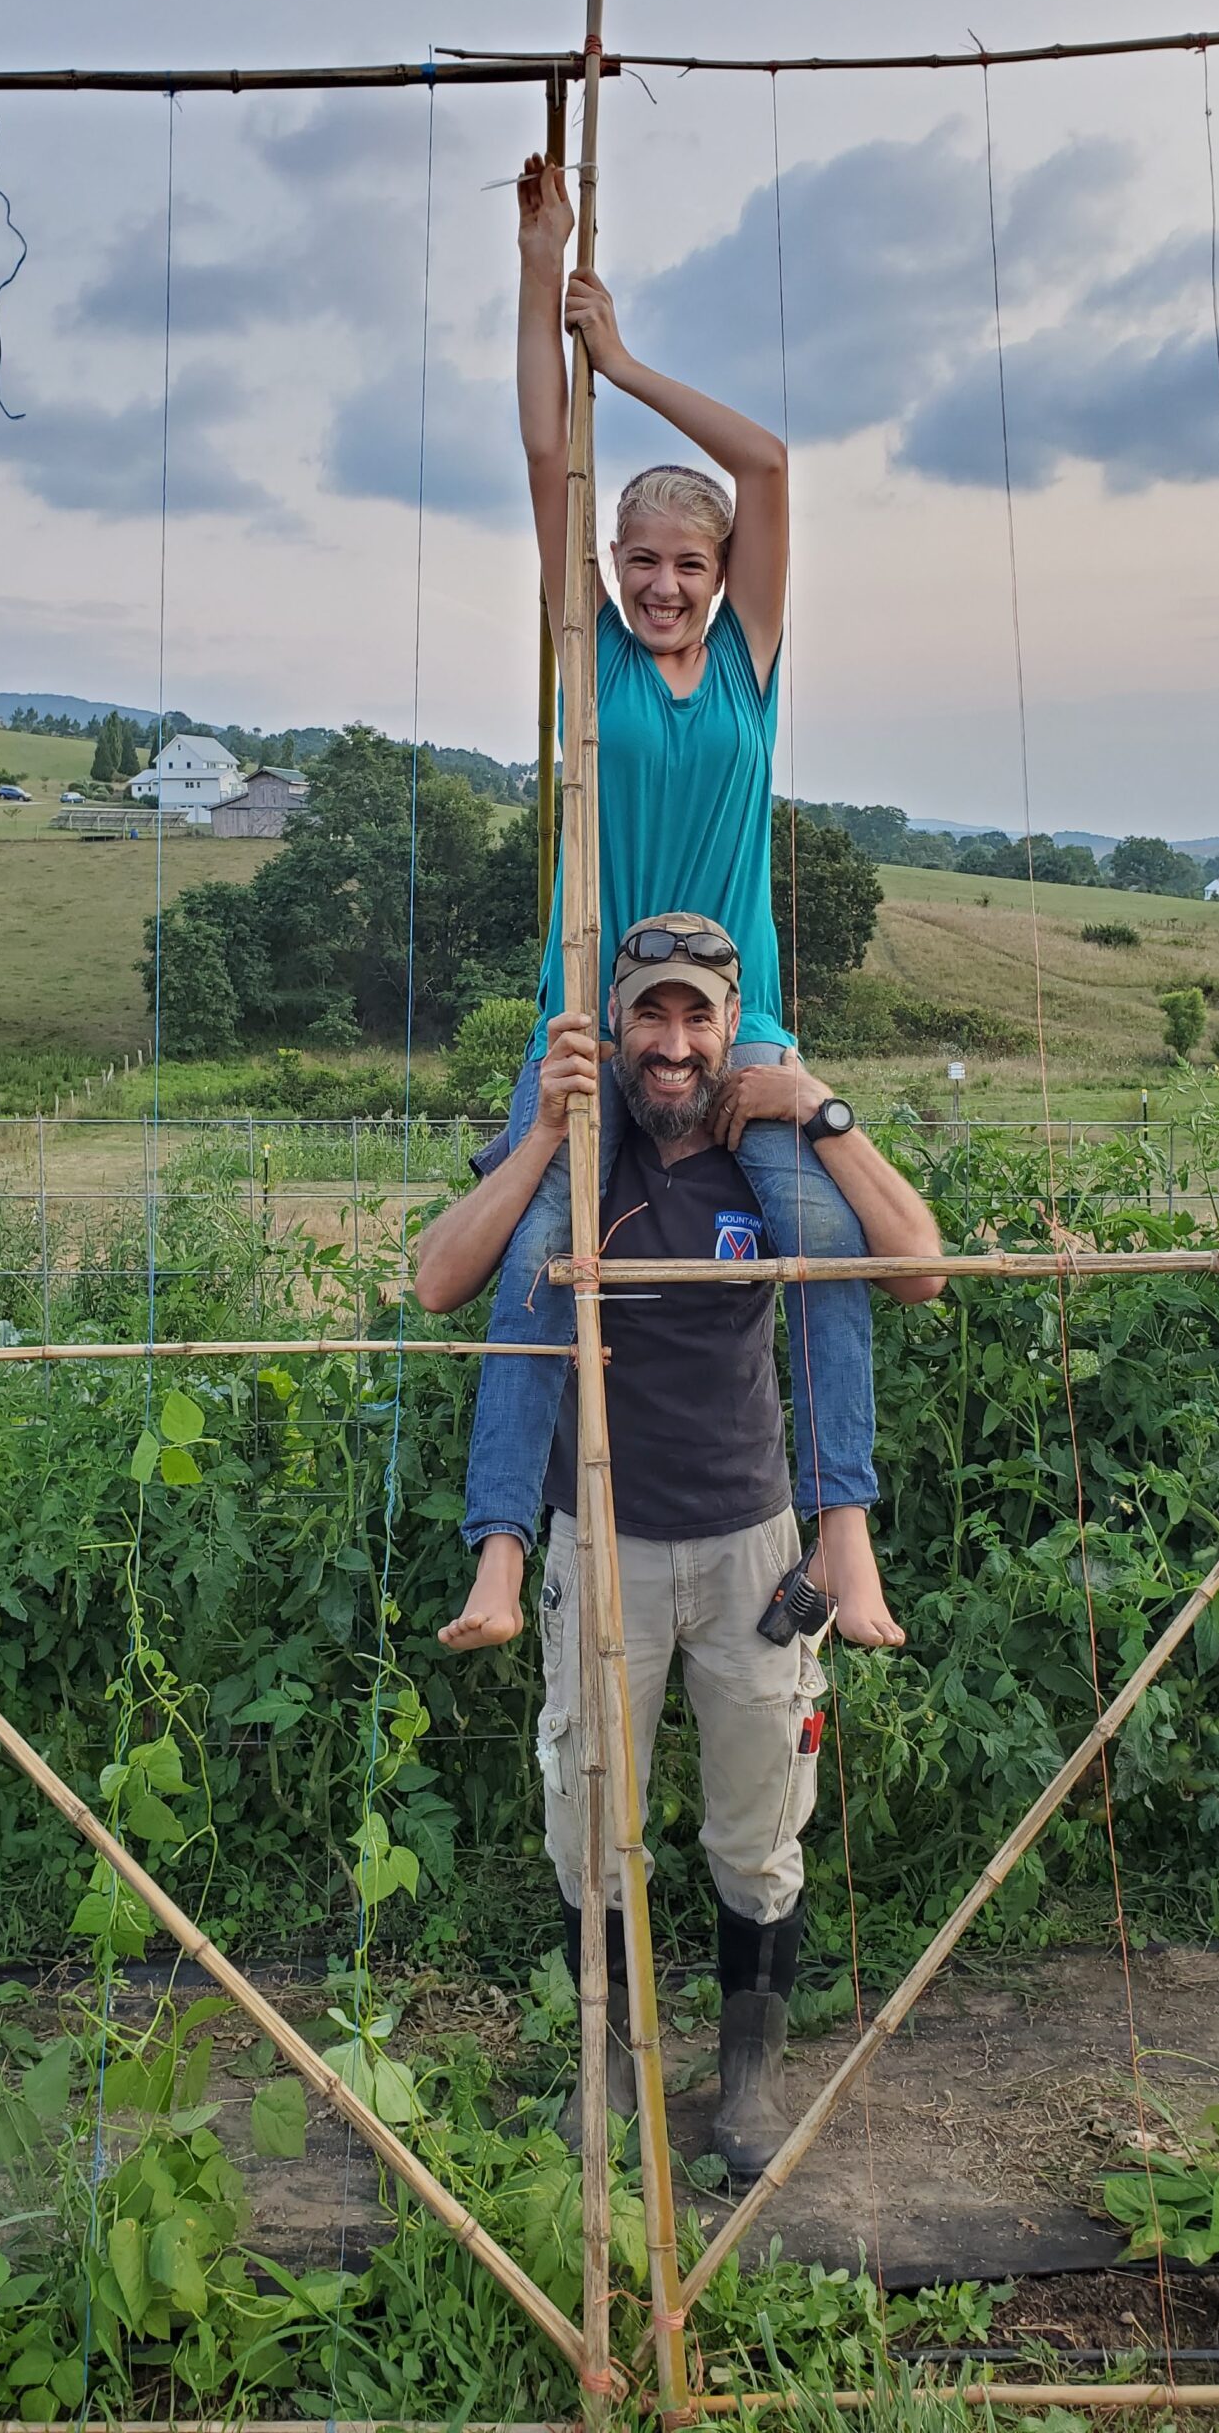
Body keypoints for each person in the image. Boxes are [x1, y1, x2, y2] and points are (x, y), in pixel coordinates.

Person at [442, 152, 900, 1659]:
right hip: (591, 1014)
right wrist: (540, 269)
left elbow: (769, 467)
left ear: (718, 577)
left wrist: (625, 357)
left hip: (740, 1014)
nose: (657, 582)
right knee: (526, 1264)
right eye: (637, 558)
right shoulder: (599, 668)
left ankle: (843, 1541)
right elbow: (538, 454)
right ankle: (502, 1559)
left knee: (816, 1234)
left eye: (682, 564)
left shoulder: (755, 666)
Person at [414, 919, 945, 2174]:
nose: (672, 1045)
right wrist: (544, 1127)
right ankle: (604, 2070)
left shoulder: (764, 1164)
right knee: (589, 1821)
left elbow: (919, 1271)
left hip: (755, 1549)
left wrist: (821, 1106)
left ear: (729, 1033)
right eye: (650, 1017)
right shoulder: (579, 1161)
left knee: (759, 1829)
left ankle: (747, 2080)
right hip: (601, 1543)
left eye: (696, 1020)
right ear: (617, 1027)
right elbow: (438, 1278)